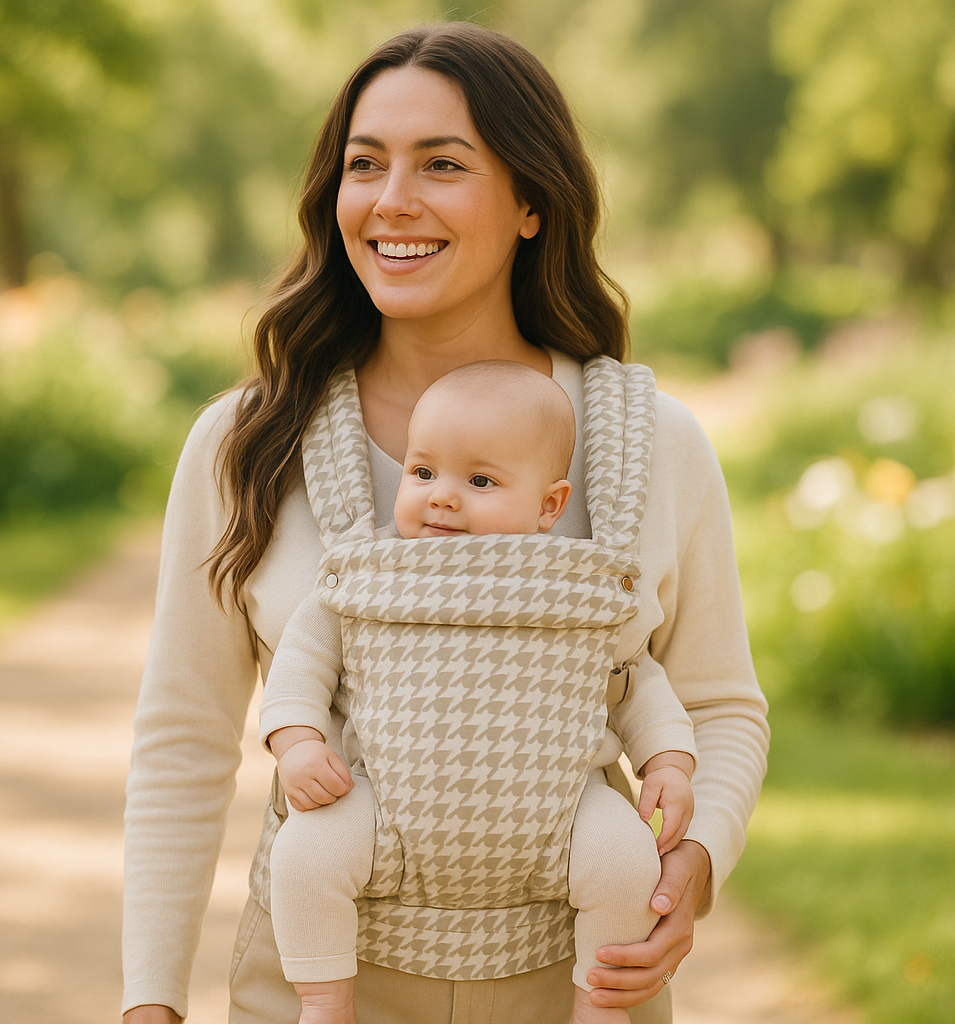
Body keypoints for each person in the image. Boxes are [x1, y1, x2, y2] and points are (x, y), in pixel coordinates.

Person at [121, 20, 769, 1024]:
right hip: (314, 987)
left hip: (578, 989)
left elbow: (720, 703)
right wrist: (148, 1004)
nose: (391, 201)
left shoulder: (647, 443)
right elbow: (183, 738)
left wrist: (694, 856)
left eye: (442, 165)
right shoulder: (248, 442)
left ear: (529, 203)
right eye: (365, 165)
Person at [261, 360, 698, 1024]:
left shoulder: (575, 581)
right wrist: (296, 742)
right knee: (305, 853)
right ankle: (324, 1002)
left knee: (623, 861)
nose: (442, 496)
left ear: (551, 505)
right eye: (423, 472)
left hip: (560, 814)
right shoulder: (369, 572)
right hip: (387, 811)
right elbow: (301, 662)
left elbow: (633, 680)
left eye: (481, 480)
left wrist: (668, 761)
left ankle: (598, 1003)